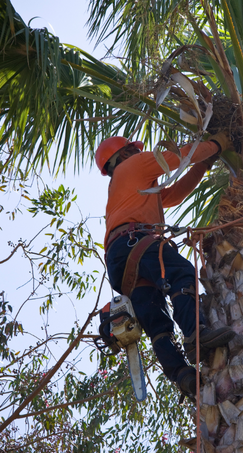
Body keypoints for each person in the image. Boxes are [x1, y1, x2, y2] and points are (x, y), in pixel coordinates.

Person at [96, 133, 235, 399]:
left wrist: (205, 164)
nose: (140, 152)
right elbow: (177, 157)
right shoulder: (133, 166)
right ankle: (196, 333)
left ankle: (181, 374)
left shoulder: (127, 185)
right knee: (181, 274)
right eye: (134, 150)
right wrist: (218, 143)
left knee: (157, 322)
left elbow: (175, 195)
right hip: (134, 241)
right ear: (125, 154)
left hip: (119, 260)